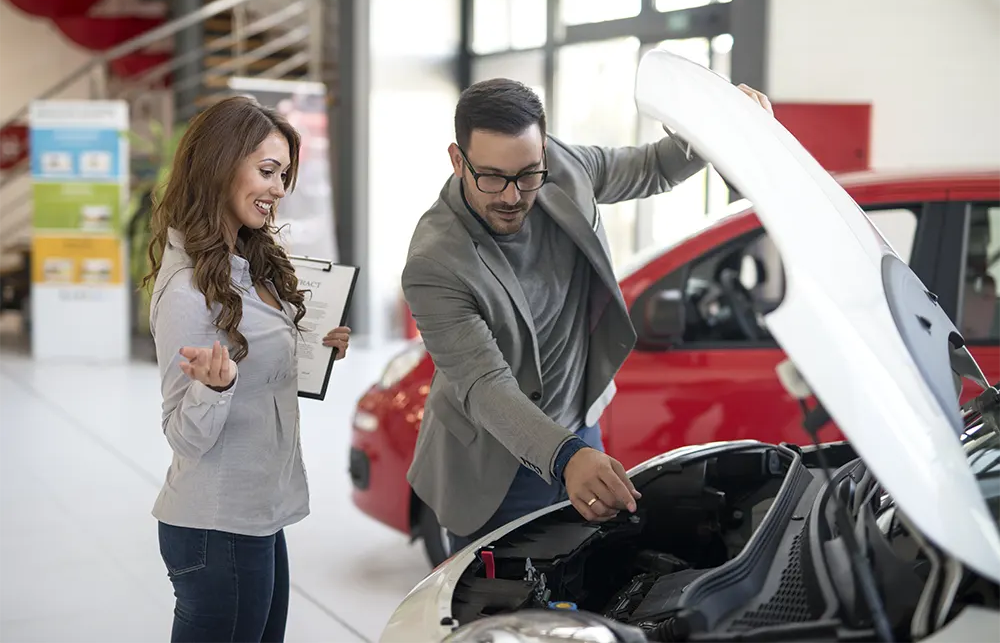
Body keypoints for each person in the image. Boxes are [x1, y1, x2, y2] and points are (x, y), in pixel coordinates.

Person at [402, 77, 773, 554]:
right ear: (458, 160)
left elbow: (655, 167)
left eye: (528, 174)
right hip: (496, 462)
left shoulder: (563, 166)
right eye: (491, 177)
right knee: (509, 617)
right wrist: (566, 457)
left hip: (578, 426)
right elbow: (484, 384)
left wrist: (717, 119)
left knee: (579, 586)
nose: (513, 196)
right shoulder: (434, 262)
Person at [144, 96, 352, 643]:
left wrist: (312, 347)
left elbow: (261, 358)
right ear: (218, 166)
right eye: (267, 172)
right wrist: (216, 389)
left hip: (256, 513)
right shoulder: (188, 292)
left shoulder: (247, 260)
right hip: (217, 526)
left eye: (284, 174)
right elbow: (182, 435)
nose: (280, 190)